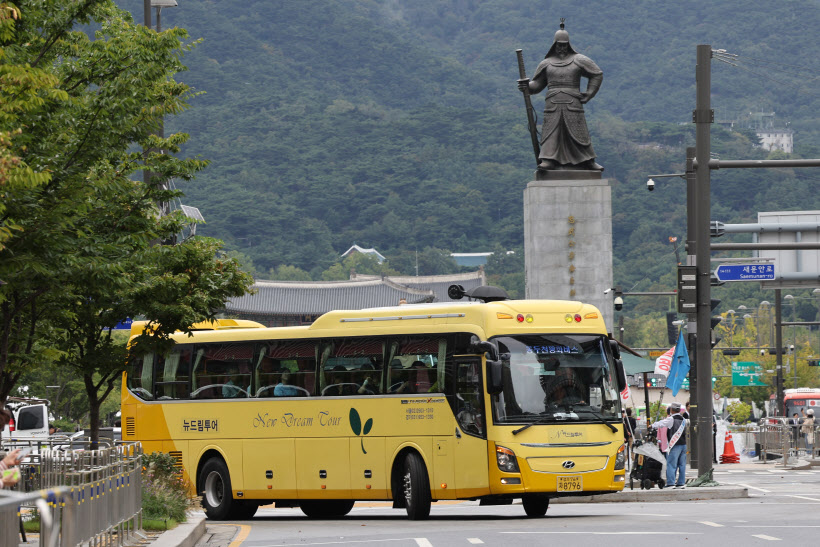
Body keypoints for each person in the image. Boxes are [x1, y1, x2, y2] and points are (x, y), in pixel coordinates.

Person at [517, 20, 603, 171]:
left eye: (564, 44)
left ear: (569, 44)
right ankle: (549, 160)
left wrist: (589, 94)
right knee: (551, 132)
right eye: (559, 44)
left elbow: (596, 74)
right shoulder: (547, 63)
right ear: (554, 44)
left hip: (573, 102)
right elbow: (537, 85)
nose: (562, 48)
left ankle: (588, 161)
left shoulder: (579, 60)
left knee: (579, 133)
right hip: (553, 104)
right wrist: (527, 86)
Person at [651, 401, 688, 488]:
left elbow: (661, 423)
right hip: (684, 444)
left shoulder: (671, 419)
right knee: (682, 465)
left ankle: (671, 483)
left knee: (671, 464)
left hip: (675, 445)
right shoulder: (683, 419)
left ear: (671, 410)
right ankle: (681, 483)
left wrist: (651, 426)